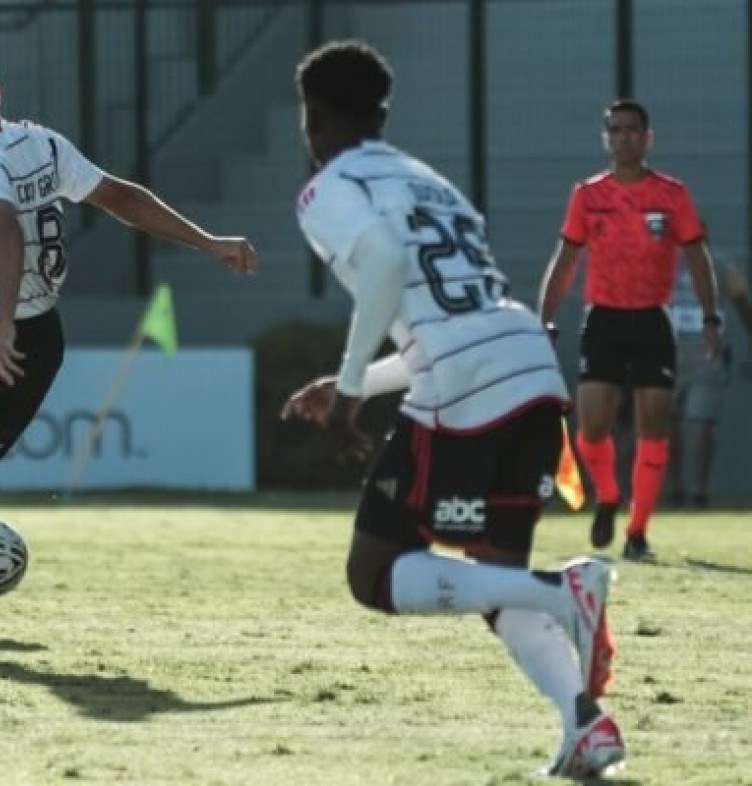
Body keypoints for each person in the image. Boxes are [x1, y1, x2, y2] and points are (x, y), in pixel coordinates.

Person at [0, 48, 257, 656]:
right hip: (42, 337)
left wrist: (2, 323)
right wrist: (206, 240)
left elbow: (2, 226)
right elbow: (119, 196)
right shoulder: (41, 144)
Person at [281, 40, 624, 778]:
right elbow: (438, 314)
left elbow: (384, 265)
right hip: (529, 369)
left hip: (466, 390)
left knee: (373, 573)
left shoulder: (328, 188)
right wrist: (356, 384)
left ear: (314, 119)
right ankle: (583, 726)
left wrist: (345, 394)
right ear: (382, 112)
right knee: (493, 577)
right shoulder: (432, 182)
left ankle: (562, 591)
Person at [539, 99, 723, 561]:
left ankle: (637, 533)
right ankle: (607, 495)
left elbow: (698, 258)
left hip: (650, 321)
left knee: (653, 428)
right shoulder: (588, 195)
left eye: (632, 130)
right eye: (615, 130)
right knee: (592, 428)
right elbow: (565, 260)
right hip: (603, 319)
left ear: (647, 138)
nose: (624, 138)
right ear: (606, 138)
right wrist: (543, 316)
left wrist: (710, 316)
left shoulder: (672, 194)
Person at [666, 254, 752, 508]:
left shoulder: (662, 263)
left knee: (675, 422)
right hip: (705, 352)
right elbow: (743, 305)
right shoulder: (722, 266)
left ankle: (677, 490)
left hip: (671, 353)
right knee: (698, 422)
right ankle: (697, 491)